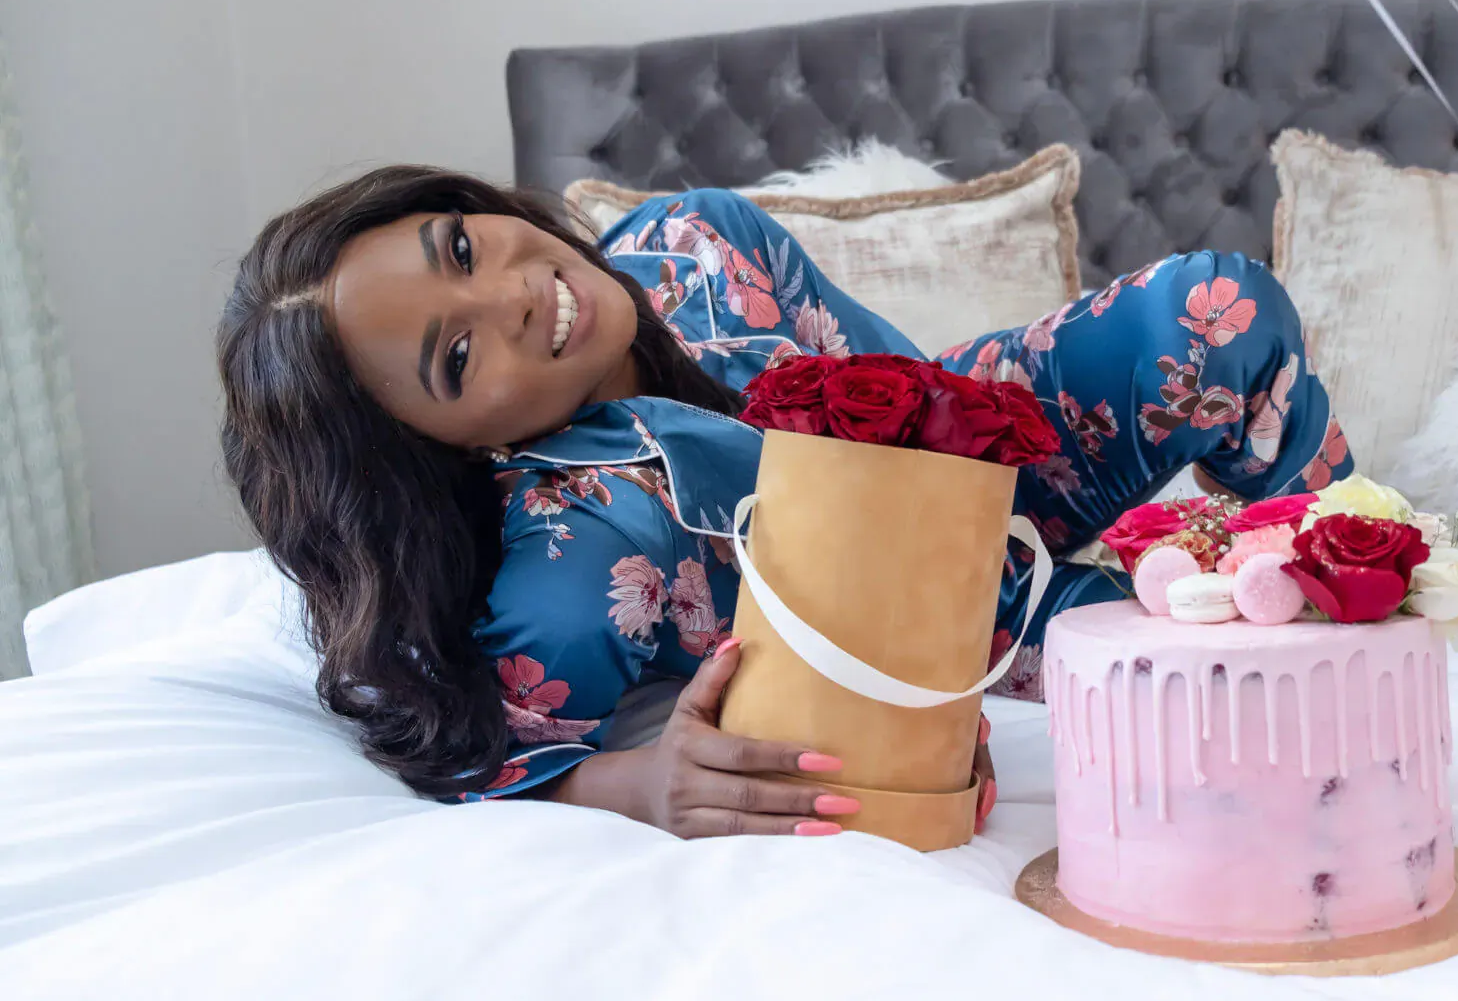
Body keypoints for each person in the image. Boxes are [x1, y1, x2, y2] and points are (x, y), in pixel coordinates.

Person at [217, 166, 1352, 840]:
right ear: (434, 449)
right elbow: (479, 761)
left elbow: (919, 393)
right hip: (945, 634)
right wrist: (630, 785)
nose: (516, 293)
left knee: (1219, 302)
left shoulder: (696, 241)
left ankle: (1364, 553)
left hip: (992, 448)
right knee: (1226, 694)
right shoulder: (572, 558)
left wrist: (1030, 452)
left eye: (461, 245)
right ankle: (1234, 583)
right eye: (455, 357)